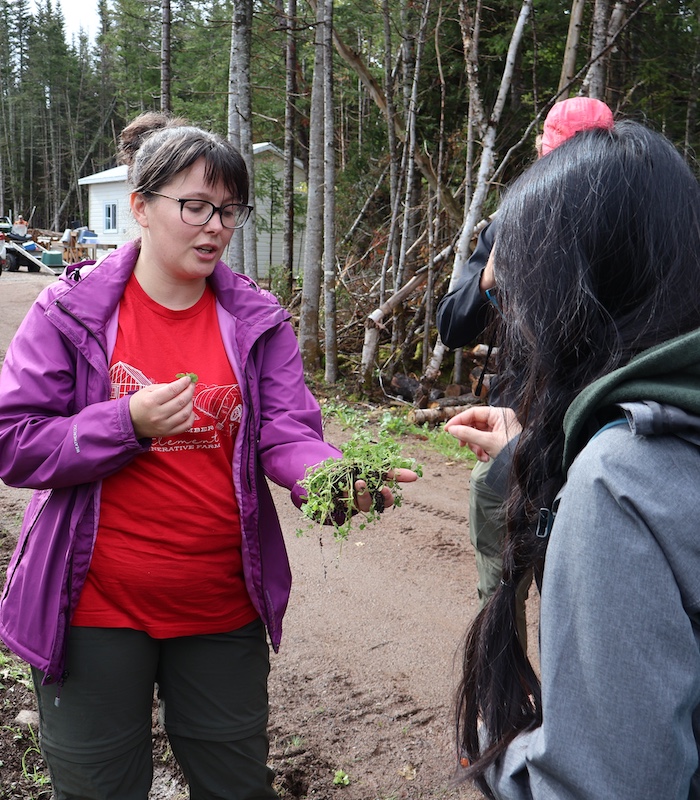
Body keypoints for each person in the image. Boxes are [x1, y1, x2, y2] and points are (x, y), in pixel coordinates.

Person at [0, 111, 418, 800]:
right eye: (195, 206)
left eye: (228, 211)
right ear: (140, 206)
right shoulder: (68, 314)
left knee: (235, 787)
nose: (215, 226)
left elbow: (288, 432)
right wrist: (124, 422)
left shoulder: (256, 321)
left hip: (220, 610)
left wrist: (330, 479)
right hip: (93, 608)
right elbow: (14, 441)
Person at [447, 120, 700, 798]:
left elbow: (611, 784)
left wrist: (492, 750)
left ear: (577, 296)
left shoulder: (619, 481)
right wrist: (542, 449)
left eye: (518, 297)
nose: (510, 320)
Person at [437, 97, 614, 647]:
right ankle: (502, 703)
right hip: (514, 436)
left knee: (578, 593)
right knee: (500, 590)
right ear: (541, 152)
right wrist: (488, 279)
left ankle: (568, 712)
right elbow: (451, 326)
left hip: (594, 439)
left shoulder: (623, 230)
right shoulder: (507, 225)